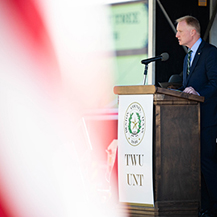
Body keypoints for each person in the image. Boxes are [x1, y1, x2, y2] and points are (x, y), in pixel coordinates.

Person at [176, 15, 217, 217]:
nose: (176, 35)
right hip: (190, 122)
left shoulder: (210, 53)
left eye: (180, 31)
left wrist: (199, 94)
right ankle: (205, 207)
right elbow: (186, 87)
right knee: (196, 164)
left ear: (193, 32)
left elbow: (215, 84)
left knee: (207, 163)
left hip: (207, 119)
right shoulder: (187, 57)